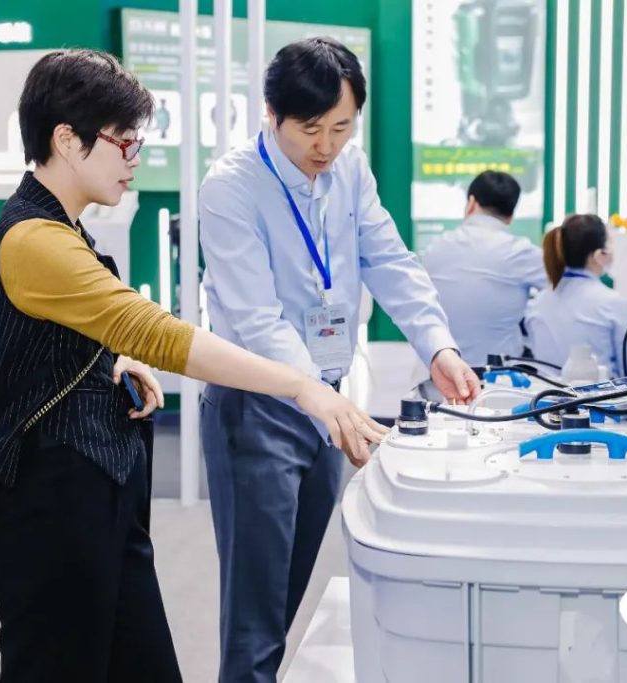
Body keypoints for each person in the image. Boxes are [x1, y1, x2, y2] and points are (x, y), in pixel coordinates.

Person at [0, 48, 386, 683]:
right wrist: (303, 386)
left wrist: (109, 361)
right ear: (67, 140)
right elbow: (153, 329)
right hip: (49, 508)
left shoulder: (63, 228)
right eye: (123, 141)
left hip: (96, 494)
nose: (134, 158)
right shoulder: (34, 239)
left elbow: (74, 331)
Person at [198, 37, 481, 682]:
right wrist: (319, 398)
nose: (325, 146)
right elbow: (256, 318)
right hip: (257, 407)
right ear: (272, 113)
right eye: (310, 129)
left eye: (342, 127)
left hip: (328, 400)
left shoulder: (350, 169)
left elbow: (389, 259)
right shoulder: (231, 187)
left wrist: (437, 345)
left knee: (287, 595)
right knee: (255, 619)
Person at [421, 171, 547, 364]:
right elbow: (564, 285)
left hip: (438, 367)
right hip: (500, 373)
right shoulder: (520, 251)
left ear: (471, 202)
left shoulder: (434, 248)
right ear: (511, 215)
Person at [524, 213, 627, 377]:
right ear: (599, 255)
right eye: (610, 243)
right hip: (601, 393)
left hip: (545, 392)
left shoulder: (537, 303)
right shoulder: (612, 303)